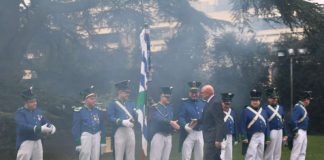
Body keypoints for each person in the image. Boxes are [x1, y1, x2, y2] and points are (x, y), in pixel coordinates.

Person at [16, 86, 56, 160]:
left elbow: (44, 121)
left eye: (35, 101)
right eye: (32, 102)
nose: (35, 103)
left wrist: (51, 127)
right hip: (26, 141)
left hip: (38, 140)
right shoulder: (20, 112)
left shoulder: (38, 111)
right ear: (25, 102)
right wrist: (39, 128)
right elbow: (22, 126)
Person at [72, 85, 106, 160]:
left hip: (97, 135)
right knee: (85, 155)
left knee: (96, 157)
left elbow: (102, 126)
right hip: (85, 136)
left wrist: (103, 141)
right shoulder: (79, 111)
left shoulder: (99, 110)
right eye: (91, 99)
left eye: (94, 99)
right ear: (85, 100)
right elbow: (75, 128)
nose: (94, 100)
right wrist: (78, 143)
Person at [107, 80, 137, 160]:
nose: (128, 94)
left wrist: (139, 114)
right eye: (126, 92)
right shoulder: (113, 103)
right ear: (120, 92)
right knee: (119, 155)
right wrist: (121, 121)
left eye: (128, 92)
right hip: (119, 131)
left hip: (130, 130)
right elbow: (110, 117)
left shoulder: (131, 103)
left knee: (131, 155)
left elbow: (135, 116)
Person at [149, 86, 180, 160]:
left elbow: (170, 120)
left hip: (168, 136)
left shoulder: (170, 107)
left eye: (169, 97)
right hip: (158, 135)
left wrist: (174, 128)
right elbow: (158, 119)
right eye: (166, 97)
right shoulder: (155, 107)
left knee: (166, 158)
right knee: (155, 158)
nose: (168, 99)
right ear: (161, 96)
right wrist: (170, 122)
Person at [178, 81, 206, 160]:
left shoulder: (203, 103)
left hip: (200, 132)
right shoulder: (184, 103)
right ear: (189, 93)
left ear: (199, 93)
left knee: (200, 156)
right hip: (189, 132)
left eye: (196, 92)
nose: (194, 94)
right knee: (186, 155)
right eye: (192, 92)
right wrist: (185, 126)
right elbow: (181, 117)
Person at [240, 89, 270, 160]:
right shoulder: (246, 111)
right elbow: (242, 124)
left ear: (259, 101)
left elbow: (267, 125)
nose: (255, 102)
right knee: (250, 155)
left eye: (256, 101)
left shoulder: (263, 111)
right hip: (252, 135)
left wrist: (267, 136)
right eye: (253, 101)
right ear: (251, 101)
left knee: (260, 155)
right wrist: (244, 136)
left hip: (262, 135)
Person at [201, 84, 225, 160]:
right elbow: (207, 119)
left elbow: (219, 122)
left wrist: (218, 139)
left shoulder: (215, 103)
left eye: (202, 92)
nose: (201, 94)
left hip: (213, 138)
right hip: (209, 137)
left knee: (209, 157)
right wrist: (197, 121)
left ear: (207, 93)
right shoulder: (209, 102)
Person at [263, 87, 287, 160]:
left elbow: (283, 121)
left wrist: (285, 134)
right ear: (268, 98)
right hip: (271, 131)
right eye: (272, 98)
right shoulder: (264, 108)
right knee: (269, 151)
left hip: (280, 131)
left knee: (278, 151)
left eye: (275, 98)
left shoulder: (281, 108)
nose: (274, 99)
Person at [289, 91, 312, 160]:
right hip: (299, 131)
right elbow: (293, 119)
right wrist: (295, 131)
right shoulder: (298, 107)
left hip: (303, 132)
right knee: (296, 152)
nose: (309, 101)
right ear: (306, 100)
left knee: (302, 152)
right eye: (309, 99)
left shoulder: (302, 107)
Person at [220, 92, 238, 160]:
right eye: (225, 103)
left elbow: (235, 125)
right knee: (221, 155)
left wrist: (236, 137)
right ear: (222, 102)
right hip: (221, 136)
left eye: (228, 103)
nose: (227, 105)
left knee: (229, 154)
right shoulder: (219, 112)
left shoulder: (232, 112)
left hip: (230, 136)